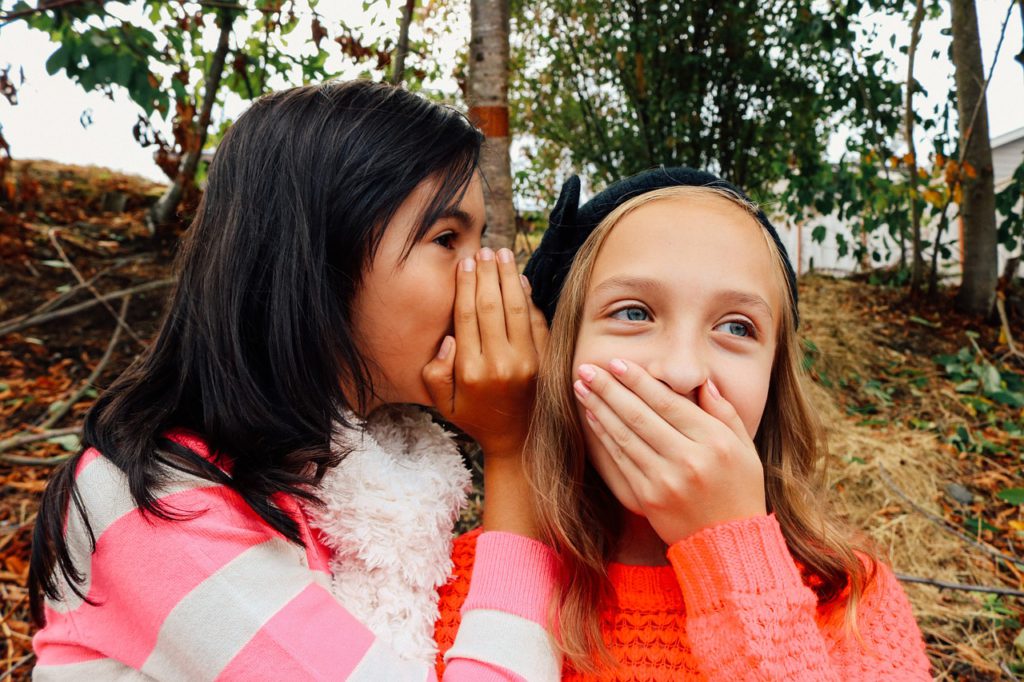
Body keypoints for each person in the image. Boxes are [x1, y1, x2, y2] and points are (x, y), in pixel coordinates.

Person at [29, 80, 561, 681]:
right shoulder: (150, 505)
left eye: (482, 241)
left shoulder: (360, 472)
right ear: (317, 261)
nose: (484, 278)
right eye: (446, 239)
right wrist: (515, 454)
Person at [435, 167, 931, 679]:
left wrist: (733, 553)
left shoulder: (853, 598)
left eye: (736, 326)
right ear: (560, 352)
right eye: (633, 313)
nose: (681, 372)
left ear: (774, 378)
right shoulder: (456, 590)